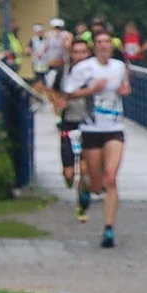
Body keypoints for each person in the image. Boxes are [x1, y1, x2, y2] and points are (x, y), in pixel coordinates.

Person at [61, 31, 131, 248]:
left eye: (107, 42)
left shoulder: (119, 67)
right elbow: (68, 93)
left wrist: (125, 90)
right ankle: (85, 190)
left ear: (111, 46)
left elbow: (126, 87)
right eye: (100, 42)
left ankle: (109, 229)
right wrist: (92, 90)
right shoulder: (84, 68)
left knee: (111, 179)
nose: (104, 46)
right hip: (91, 127)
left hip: (114, 128)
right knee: (96, 182)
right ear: (95, 47)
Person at [50, 36, 93, 202]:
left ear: (88, 53)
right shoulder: (64, 72)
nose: (80, 56)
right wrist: (58, 103)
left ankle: (83, 195)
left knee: (84, 167)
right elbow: (53, 90)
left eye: (83, 52)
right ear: (71, 54)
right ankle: (71, 180)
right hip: (69, 123)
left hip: (89, 123)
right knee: (69, 173)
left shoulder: (94, 72)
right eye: (76, 52)